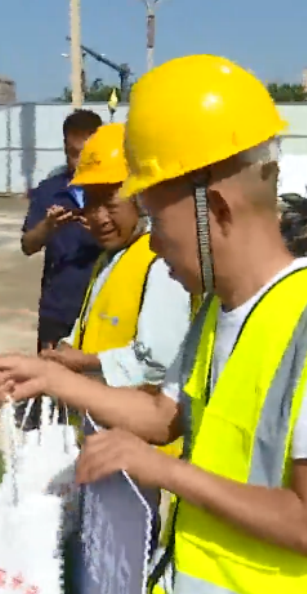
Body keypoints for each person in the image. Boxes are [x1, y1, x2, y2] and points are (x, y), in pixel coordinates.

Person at [0, 54, 307, 594]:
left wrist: (162, 471)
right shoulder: (213, 313)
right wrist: (52, 379)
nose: (153, 246)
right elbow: (163, 415)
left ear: (216, 210)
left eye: (157, 220)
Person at [42, 121, 191, 458]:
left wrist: (85, 363)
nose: (99, 217)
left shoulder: (161, 263)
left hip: (146, 455)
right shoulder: (110, 258)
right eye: (90, 203)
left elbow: (158, 362)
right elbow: (93, 324)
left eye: (109, 204)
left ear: (141, 198)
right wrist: (65, 349)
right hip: (106, 444)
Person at [21, 109, 103, 352]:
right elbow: (28, 246)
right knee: (50, 373)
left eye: (85, 155)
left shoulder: (114, 190)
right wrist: (47, 227)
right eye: (72, 154)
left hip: (103, 311)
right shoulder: (49, 190)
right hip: (58, 311)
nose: (78, 163)